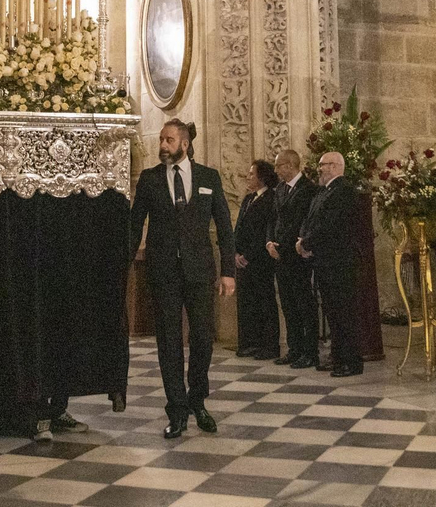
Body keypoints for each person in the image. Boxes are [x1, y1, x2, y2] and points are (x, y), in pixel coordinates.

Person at [128, 119, 235, 439]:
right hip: (163, 272)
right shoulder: (149, 180)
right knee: (169, 342)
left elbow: (225, 229)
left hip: (200, 270)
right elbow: (135, 226)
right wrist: (123, 265)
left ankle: (198, 401)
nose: (162, 145)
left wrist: (228, 272)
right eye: (161, 139)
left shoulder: (208, 178)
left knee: (202, 337)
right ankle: (176, 410)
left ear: (184, 144)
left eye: (169, 140)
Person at [298, 152, 363, 377]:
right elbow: (311, 219)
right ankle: (338, 356)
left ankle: (351, 361)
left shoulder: (343, 191)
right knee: (333, 313)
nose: (319, 169)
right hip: (325, 261)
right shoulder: (324, 191)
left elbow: (330, 225)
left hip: (340, 262)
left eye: (322, 165)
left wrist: (307, 243)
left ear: (335, 166)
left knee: (344, 313)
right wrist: (303, 241)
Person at [267, 149, 317, 368]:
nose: (276, 170)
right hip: (280, 255)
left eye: (279, 166)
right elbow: (272, 219)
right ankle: (294, 348)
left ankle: (310, 351)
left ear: (289, 165)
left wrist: (302, 242)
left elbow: (308, 220)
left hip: (298, 255)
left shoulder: (309, 189)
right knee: (287, 303)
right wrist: (269, 242)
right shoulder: (279, 189)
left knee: (304, 303)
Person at [233, 159, 280, 360]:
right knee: (247, 302)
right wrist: (235, 252)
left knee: (264, 302)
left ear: (262, 177)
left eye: (252, 174)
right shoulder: (248, 199)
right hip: (242, 260)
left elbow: (263, 232)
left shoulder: (271, 199)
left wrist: (249, 255)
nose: (248, 177)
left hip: (260, 260)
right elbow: (240, 229)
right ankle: (250, 342)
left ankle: (269, 344)